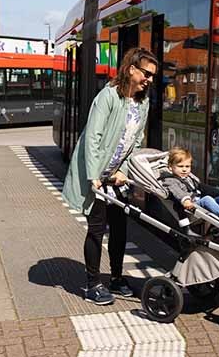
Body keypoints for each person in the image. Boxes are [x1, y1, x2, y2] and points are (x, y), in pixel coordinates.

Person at [61, 47, 158, 306]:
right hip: (96, 174)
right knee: (96, 229)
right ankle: (92, 284)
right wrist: (94, 175)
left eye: (152, 76)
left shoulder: (143, 102)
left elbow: (136, 141)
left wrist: (123, 171)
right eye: (146, 73)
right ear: (131, 70)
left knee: (119, 229)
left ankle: (116, 278)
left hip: (117, 177)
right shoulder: (108, 97)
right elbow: (93, 137)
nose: (149, 79)